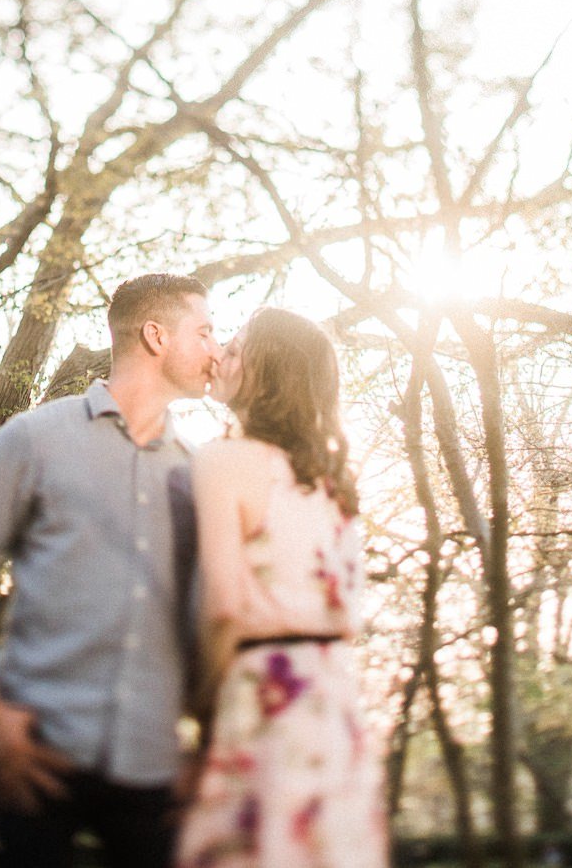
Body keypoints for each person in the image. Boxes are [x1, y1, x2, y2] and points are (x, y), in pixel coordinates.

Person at [0, 273, 220, 868]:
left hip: (153, 770)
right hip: (34, 758)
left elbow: (209, 627)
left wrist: (207, 751)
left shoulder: (199, 474)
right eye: (205, 331)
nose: (216, 350)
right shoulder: (33, 439)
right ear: (155, 336)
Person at [176, 307, 388, 868]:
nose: (220, 354)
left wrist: (199, 712)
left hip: (267, 697)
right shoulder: (333, 480)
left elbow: (225, 606)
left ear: (267, 372)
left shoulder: (224, 460)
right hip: (335, 706)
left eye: (238, 347)